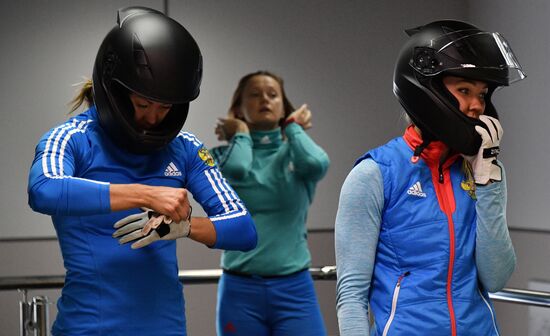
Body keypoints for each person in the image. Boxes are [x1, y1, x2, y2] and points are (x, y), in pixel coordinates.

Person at [27, 7, 257, 336]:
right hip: (89, 328)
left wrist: (186, 227)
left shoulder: (186, 147)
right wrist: (144, 193)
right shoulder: (72, 139)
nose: (154, 119)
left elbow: (244, 229)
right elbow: (43, 189)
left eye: (165, 108)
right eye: (143, 105)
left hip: (166, 328)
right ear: (115, 91)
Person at [335, 20, 525, 336]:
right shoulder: (374, 175)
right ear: (428, 91)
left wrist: (488, 181)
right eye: (464, 90)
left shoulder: (486, 173)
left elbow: (496, 277)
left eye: (483, 93)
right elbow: (351, 295)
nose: (477, 105)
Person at [211, 70, 330, 336]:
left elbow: (317, 164)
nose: (264, 99)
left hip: (294, 289)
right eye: (254, 95)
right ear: (238, 108)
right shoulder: (222, 155)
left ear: (282, 108)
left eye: (273, 95)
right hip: (239, 291)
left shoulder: (297, 153)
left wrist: (292, 128)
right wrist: (241, 133)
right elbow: (239, 169)